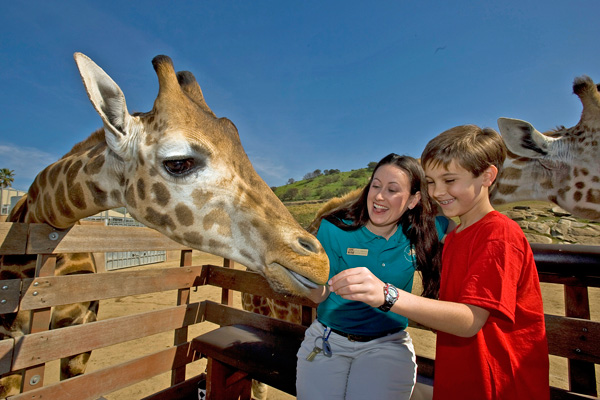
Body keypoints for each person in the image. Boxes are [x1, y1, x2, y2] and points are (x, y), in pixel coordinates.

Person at [329, 125, 550, 400]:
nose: (437, 192)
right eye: (431, 182)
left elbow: (470, 320)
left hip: (499, 385)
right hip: (462, 380)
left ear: (487, 176)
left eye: (450, 180)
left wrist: (386, 294)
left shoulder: (498, 234)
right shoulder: (455, 236)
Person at [296, 153, 452, 400]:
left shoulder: (423, 230)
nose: (379, 196)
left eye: (392, 189)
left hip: (387, 344)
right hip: (328, 340)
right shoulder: (335, 228)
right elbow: (320, 292)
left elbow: (471, 220)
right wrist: (309, 286)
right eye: (376, 186)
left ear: (413, 200)